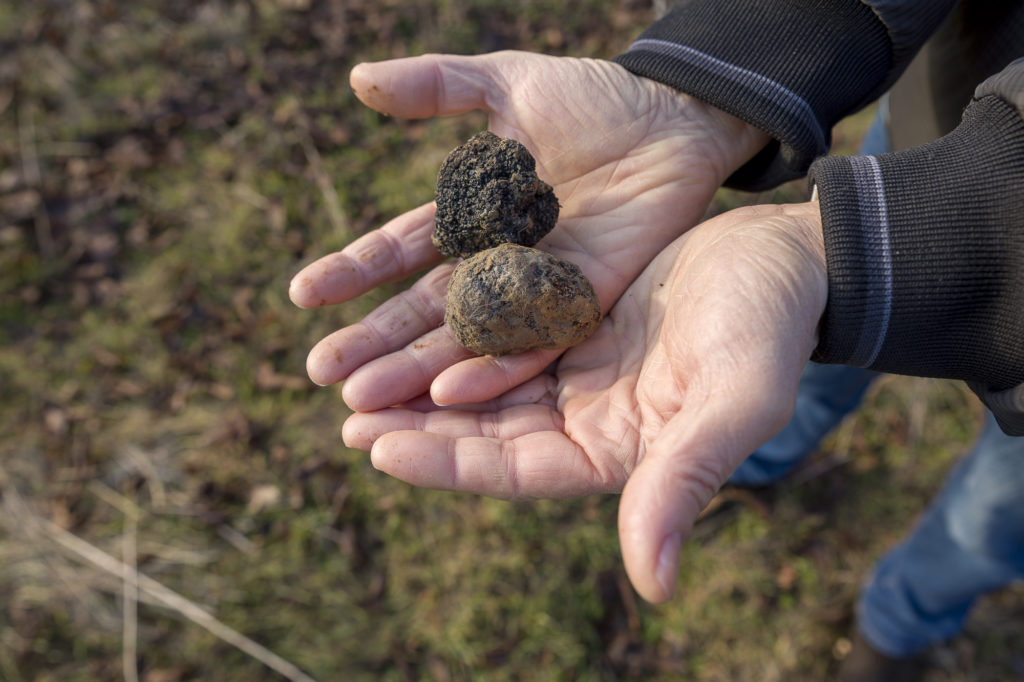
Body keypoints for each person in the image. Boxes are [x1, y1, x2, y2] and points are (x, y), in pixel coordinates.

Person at [289, 1, 1024, 679]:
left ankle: (898, 625)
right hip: (957, 94)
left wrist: (867, 239)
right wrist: (711, 80)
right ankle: (765, 454)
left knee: (994, 512)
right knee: (809, 356)